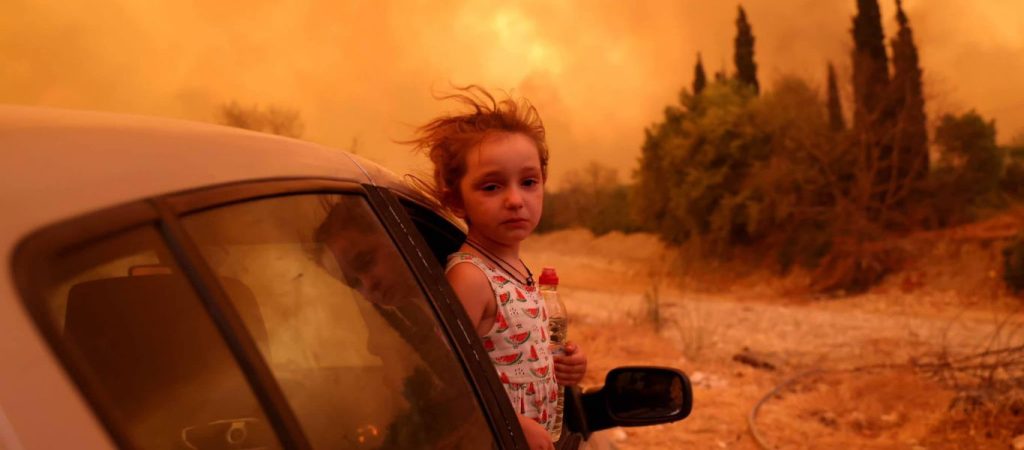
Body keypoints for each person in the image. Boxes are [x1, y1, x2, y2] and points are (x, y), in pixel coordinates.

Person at [406, 86, 588, 450]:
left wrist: (566, 367)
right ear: (456, 200)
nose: (515, 200)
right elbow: (444, 373)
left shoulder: (513, 267)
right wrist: (511, 422)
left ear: (543, 184)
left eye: (529, 182)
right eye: (491, 186)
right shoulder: (471, 276)